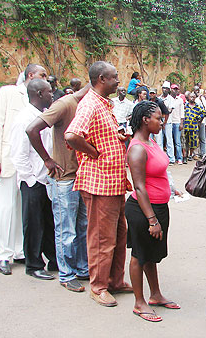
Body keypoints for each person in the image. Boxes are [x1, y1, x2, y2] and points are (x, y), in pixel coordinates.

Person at [65, 61, 132, 307]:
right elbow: (72, 135)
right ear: (102, 79)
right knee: (102, 238)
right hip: (99, 183)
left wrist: (117, 137)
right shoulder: (90, 104)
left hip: (114, 182)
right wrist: (93, 152)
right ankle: (98, 286)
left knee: (119, 235)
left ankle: (115, 280)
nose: (118, 81)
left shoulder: (105, 105)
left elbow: (98, 133)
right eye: (115, 77)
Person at [26, 83, 91, 290]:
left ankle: (82, 268)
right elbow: (31, 129)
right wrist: (47, 159)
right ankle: (67, 273)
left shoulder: (86, 106)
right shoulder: (64, 104)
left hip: (81, 176)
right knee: (66, 229)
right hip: (64, 178)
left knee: (82, 227)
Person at [0, 63, 48, 275]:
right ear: (30, 75)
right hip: (7, 160)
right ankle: (3, 254)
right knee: (5, 208)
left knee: (24, 209)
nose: (46, 79)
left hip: (30, 166)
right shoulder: (9, 92)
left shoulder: (39, 100)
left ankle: (20, 251)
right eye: (42, 75)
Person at [126, 101, 180, 323]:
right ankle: (139, 303)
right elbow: (139, 187)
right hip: (143, 210)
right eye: (158, 118)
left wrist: (172, 188)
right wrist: (151, 220)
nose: (162, 121)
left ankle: (155, 295)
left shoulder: (151, 141)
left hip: (159, 206)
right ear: (145, 120)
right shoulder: (137, 147)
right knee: (140, 255)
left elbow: (159, 172)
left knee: (151, 255)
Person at [10, 79, 57, 280]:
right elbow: (18, 154)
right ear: (38, 93)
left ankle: (54, 259)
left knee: (48, 222)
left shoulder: (42, 116)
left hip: (45, 180)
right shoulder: (23, 119)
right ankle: (33, 264)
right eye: (49, 92)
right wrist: (30, 180)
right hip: (33, 180)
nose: (52, 95)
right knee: (33, 223)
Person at [183, 92, 206, 162]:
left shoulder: (198, 106)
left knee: (193, 142)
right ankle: (185, 156)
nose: (192, 98)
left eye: (193, 97)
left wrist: (199, 120)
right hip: (185, 126)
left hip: (194, 127)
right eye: (191, 97)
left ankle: (190, 155)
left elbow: (204, 113)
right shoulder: (185, 105)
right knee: (184, 141)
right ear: (188, 97)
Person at [167, 84, 184, 165]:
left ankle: (179, 158)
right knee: (170, 141)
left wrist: (181, 123)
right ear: (170, 89)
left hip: (177, 122)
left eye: (176, 89)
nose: (175, 90)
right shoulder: (168, 99)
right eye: (173, 89)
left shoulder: (180, 100)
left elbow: (182, 113)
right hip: (169, 122)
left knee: (177, 142)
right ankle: (171, 158)